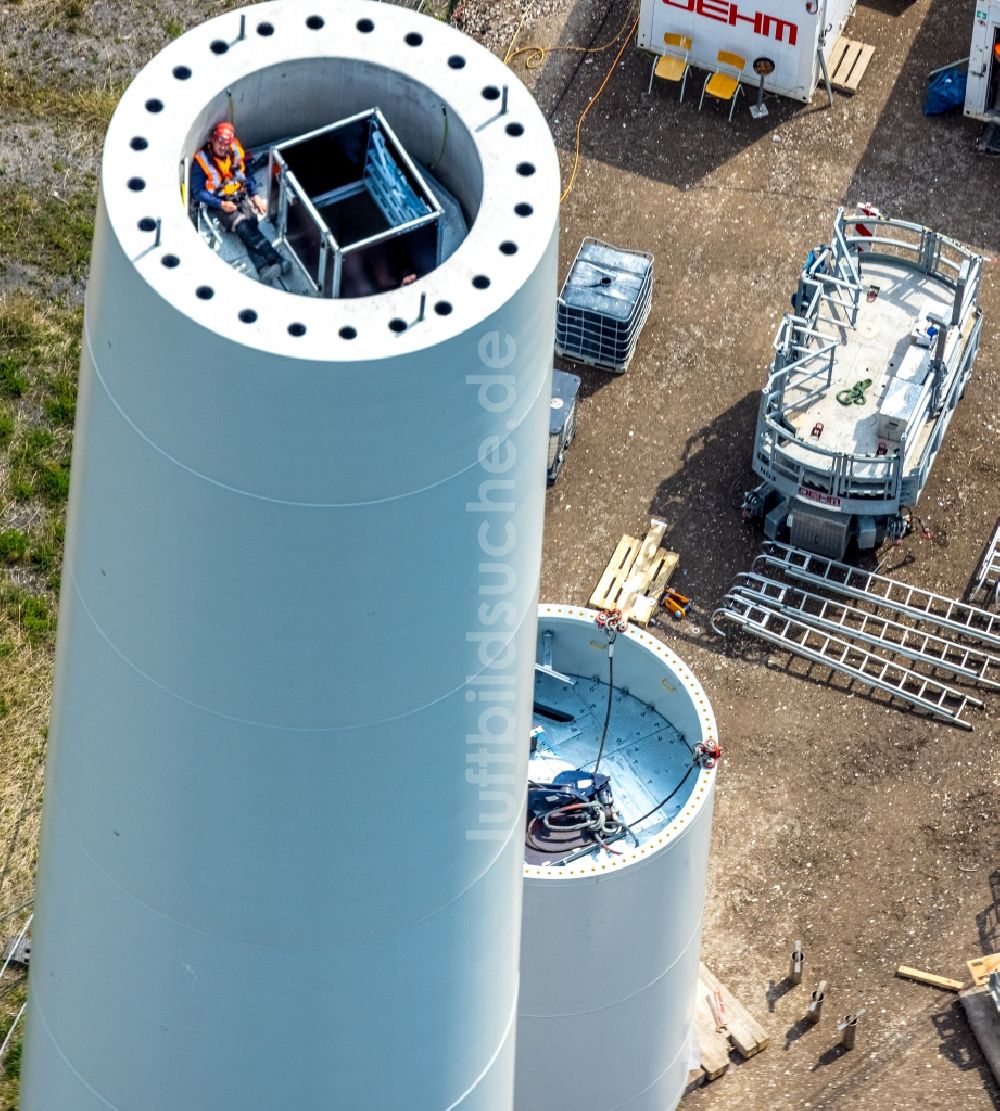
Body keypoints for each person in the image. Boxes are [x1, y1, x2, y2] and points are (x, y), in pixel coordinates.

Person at [191, 122, 287, 283]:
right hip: (221, 201)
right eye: (220, 144)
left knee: (249, 228)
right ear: (213, 140)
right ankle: (277, 259)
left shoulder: (235, 150)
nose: (222, 148)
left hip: (240, 195)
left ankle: (262, 267)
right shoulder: (201, 161)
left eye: (226, 145)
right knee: (242, 226)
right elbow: (198, 191)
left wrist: (255, 196)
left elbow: (246, 172)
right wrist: (220, 204)